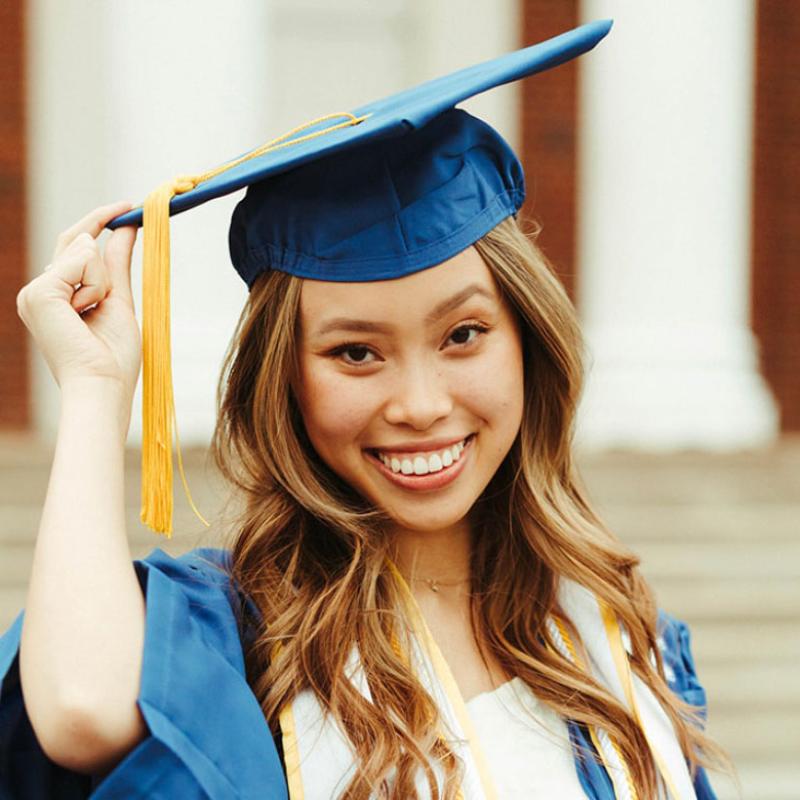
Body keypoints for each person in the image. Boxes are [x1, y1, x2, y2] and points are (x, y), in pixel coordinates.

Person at [1, 20, 728, 800]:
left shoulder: (614, 634)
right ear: (286, 380)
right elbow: (80, 712)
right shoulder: (236, 641)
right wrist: (93, 386)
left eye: (464, 335)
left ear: (529, 342)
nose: (420, 405)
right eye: (356, 353)